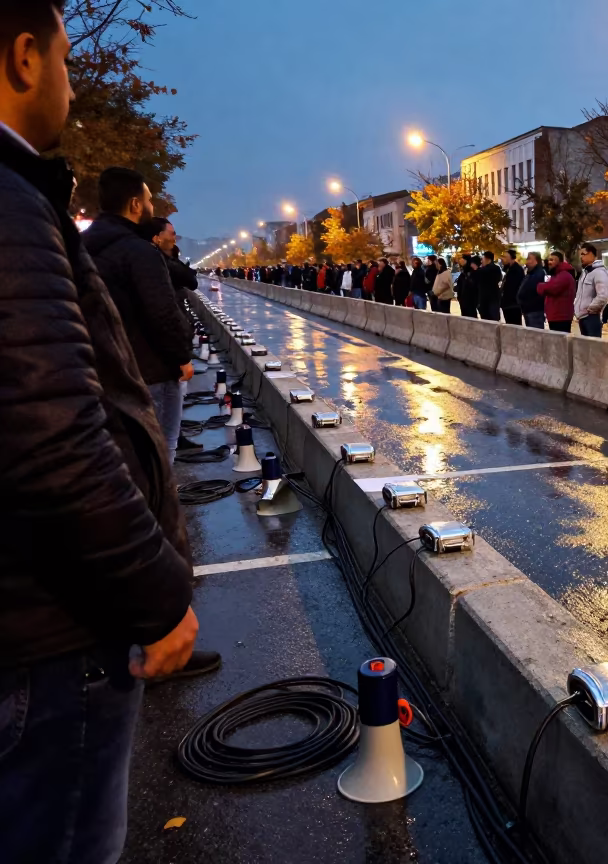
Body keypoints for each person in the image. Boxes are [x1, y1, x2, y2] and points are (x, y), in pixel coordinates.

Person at [0, 5, 202, 860]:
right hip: (51, 630)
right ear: (22, 59)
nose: (75, 84)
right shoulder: (12, 207)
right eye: (68, 60)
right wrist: (158, 597)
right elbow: (53, 439)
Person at [84, 168, 193, 465]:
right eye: (148, 200)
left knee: (126, 458)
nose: (151, 207)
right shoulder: (139, 252)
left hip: (103, 368)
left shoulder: (80, 245)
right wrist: (182, 358)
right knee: (160, 453)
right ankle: (162, 509)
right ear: (135, 204)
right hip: (151, 369)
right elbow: (161, 312)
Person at [149, 216, 203, 456]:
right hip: (162, 357)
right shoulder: (154, 261)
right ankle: (165, 488)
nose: (174, 238)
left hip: (158, 354)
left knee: (166, 423)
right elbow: (164, 311)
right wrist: (182, 356)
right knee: (165, 430)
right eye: (171, 234)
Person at [575, 242, 608, 337]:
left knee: (593, 348)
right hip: (582, 317)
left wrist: (590, 310)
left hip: (591, 317)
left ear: (591, 254)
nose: (581, 257)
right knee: (586, 348)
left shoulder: (599, 272)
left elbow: (602, 296)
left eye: (583, 254)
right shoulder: (586, 272)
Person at [540, 250, 576, 332]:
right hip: (555, 316)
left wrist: (540, 286)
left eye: (552, 260)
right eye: (549, 260)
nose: (549, 262)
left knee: (560, 343)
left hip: (561, 317)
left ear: (559, 262)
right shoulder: (556, 274)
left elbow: (552, 288)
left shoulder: (564, 275)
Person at [519, 251, 547, 329]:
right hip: (528, 310)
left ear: (536, 261)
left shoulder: (539, 273)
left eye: (529, 259)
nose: (527, 261)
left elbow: (532, 289)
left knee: (535, 335)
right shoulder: (530, 273)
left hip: (535, 310)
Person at [500, 249, 525, 325]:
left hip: (513, 305)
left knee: (514, 326)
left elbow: (513, 288)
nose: (502, 259)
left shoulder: (516, 270)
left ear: (511, 258)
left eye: (505, 257)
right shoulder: (509, 269)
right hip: (507, 304)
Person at [477, 251, 503, 321]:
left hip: (487, 299)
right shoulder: (497, 268)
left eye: (483, 259)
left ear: (487, 259)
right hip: (494, 297)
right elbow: (499, 279)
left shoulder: (483, 270)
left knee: (488, 319)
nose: (482, 261)